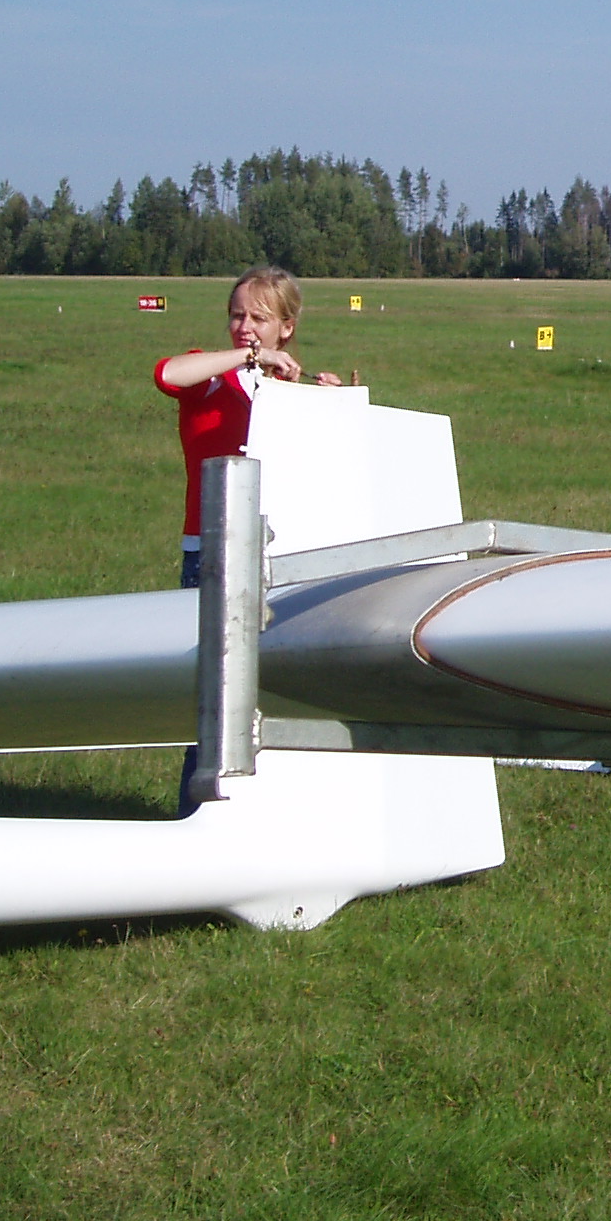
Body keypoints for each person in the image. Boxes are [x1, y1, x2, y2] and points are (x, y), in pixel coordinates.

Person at [154, 266, 340, 812]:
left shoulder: (290, 389)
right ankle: (200, 807)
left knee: (278, 688)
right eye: (237, 316)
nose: (245, 326)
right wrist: (245, 357)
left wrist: (332, 404)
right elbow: (168, 373)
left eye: (259, 318)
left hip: (281, 552)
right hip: (210, 550)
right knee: (214, 692)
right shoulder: (211, 374)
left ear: (287, 326)